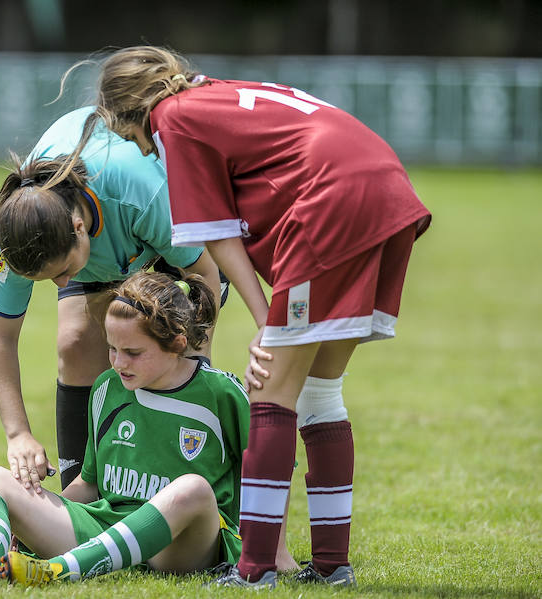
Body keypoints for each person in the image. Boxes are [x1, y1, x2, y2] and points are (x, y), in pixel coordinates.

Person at [74, 46, 432, 589]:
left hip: (335, 202)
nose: (140, 148)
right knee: (319, 392)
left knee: (269, 395)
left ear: (131, 113)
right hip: (387, 188)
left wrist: (266, 319)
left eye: (129, 137)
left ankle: (256, 568)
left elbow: (216, 233)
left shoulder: (173, 118)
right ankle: (333, 565)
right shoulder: (210, 92)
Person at [0, 271, 249, 585]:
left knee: (192, 489)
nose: (118, 362)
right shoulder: (107, 387)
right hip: (107, 528)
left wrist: (270, 553)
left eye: (132, 352)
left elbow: (264, 476)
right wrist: (34, 515)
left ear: (177, 344)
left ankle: (58, 571)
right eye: (112, 349)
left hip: (182, 546)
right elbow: (89, 484)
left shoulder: (221, 393)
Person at [0, 106, 224, 494]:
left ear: (79, 228)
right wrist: (18, 434)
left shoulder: (138, 190)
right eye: (47, 280)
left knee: (157, 353)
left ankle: (172, 492)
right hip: (112, 247)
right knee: (75, 343)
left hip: (181, 240)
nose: (60, 284)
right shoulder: (18, 229)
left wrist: (193, 371)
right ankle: (81, 499)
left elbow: (205, 274)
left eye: (62, 272)